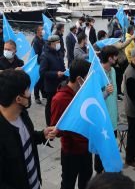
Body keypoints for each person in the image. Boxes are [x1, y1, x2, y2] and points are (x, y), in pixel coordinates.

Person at [0, 69, 57, 189]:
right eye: (27, 90)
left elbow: (26, 139)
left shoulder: (22, 114)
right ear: (18, 99)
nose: (29, 93)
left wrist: (42, 135)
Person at [51, 59, 92, 189]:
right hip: (71, 152)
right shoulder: (60, 99)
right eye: (87, 77)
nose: (89, 81)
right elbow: (56, 128)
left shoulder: (83, 93)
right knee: (68, 183)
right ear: (79, 79)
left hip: (87, 148)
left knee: (86, 181)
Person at [94, 46, 117, 174]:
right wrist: (105, 93)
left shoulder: (113, 71)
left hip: (113, 118)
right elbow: (94, 99)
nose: (117, 58)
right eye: (115, 56)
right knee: (101, 148)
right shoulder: (97, 74)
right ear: (110, 58)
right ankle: (99, 172)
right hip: (103, 119)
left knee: (110, 147)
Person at [40, 35, 66, 126]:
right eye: (58, 43)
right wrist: (56, 74)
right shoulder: (45, 55)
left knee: (58, 104)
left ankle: (57, 121)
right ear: (52, 44)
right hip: (50, 86)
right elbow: (42, 73)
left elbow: (62, 66)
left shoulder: (58, 52)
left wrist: (65, 74)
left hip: (60, 84)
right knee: (50, 105)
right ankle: (49, 124)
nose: (59, 44)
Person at [32, 25, 46, 104]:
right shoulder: (35, 41)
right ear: (37, 31)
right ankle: (36, 96)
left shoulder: (42, 40)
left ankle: (43, 94)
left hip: (43, 62)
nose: (43, 31)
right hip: (38, 63)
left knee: (42, 79)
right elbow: (36, 54)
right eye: (42, 29)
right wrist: (42, 59)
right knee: (37, 80)